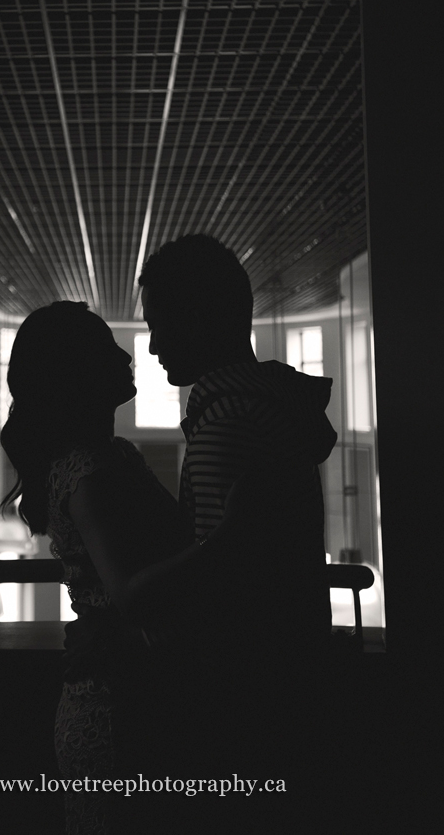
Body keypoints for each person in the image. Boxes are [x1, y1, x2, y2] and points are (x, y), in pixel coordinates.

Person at [0, 301, 243, 835]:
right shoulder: (93, 469)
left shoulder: (110, 456)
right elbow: (130, 592)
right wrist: (228, 539)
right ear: (78, 373)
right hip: (115, 714)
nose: (125, 355)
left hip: (124, 697)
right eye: (104, 347)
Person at [138, 233, 338, 787]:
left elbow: (222, 584)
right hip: (288, 679)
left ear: (199, 318)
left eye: (158, 326)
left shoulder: (225, 426)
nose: (152, 348)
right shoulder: (268, 405)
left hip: (240, 693)